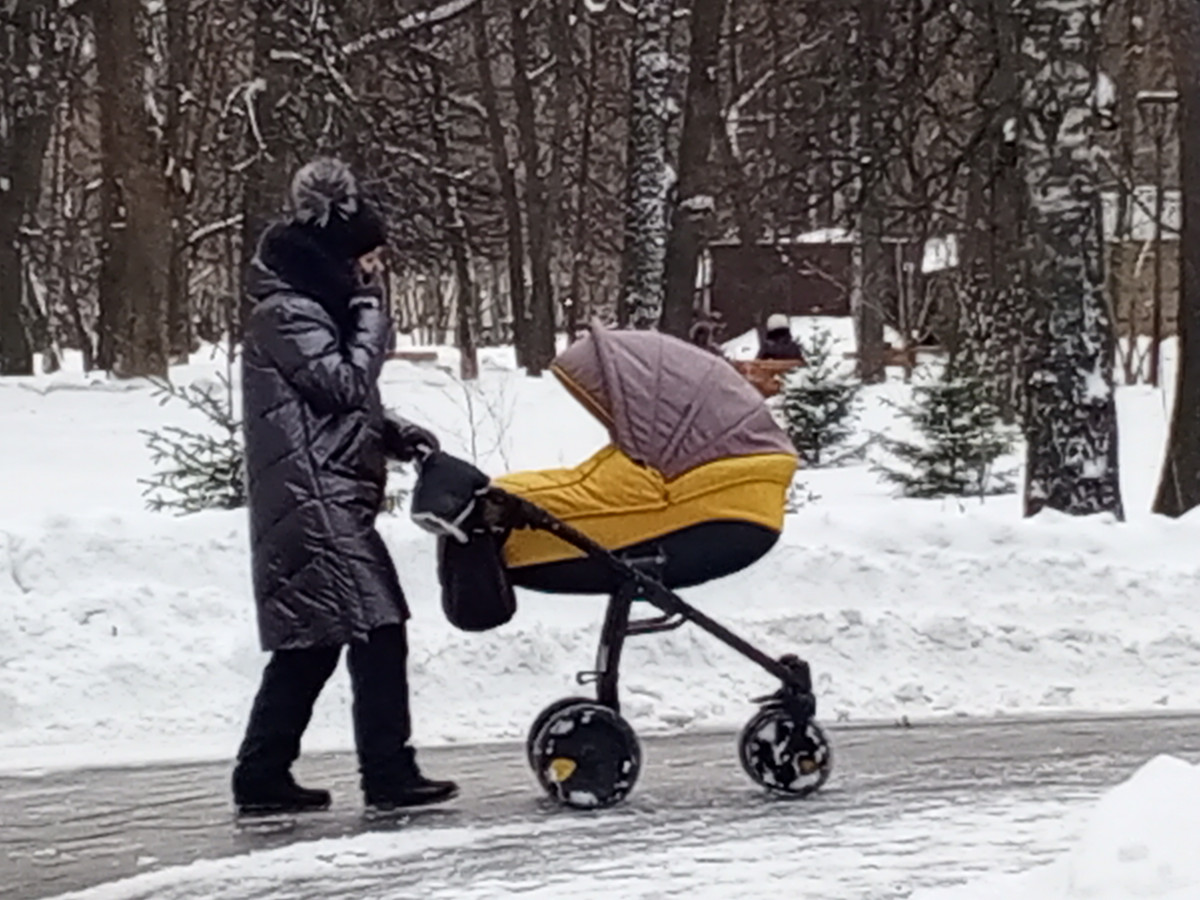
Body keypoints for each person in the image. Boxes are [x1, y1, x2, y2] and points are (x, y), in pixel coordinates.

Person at [233, 158, 457, 817]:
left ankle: (262, 775)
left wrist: (394, 434)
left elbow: (332, 403)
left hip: (320, 494)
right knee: (379, 628)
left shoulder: (305, 309)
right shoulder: (289, 312)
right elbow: (337, 385)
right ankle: (389, 773)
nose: (375, 270)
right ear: (340, 254)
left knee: (316, 641)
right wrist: (369, 315)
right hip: (313, 501)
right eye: (368, 258)